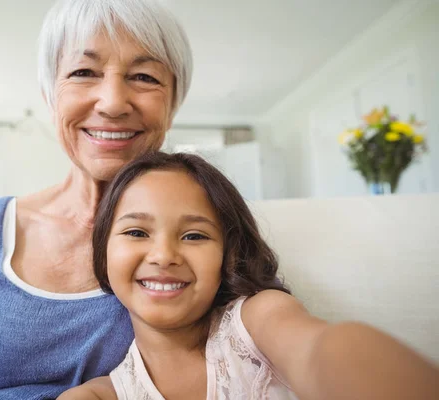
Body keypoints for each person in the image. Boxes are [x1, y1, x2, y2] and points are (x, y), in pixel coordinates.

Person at [0, 0, 192, 398]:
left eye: (145, 77)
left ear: (173, 103)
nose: (113, 102)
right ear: (50, 96)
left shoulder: (208, 232)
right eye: (83, 72)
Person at [59, 151, 439, 400]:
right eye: (137, 232)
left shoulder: (258, 320)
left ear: (228, 252)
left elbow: (322, 350)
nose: (163, 256)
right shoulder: (99, 394)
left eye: (194, 236)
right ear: (102, 251)